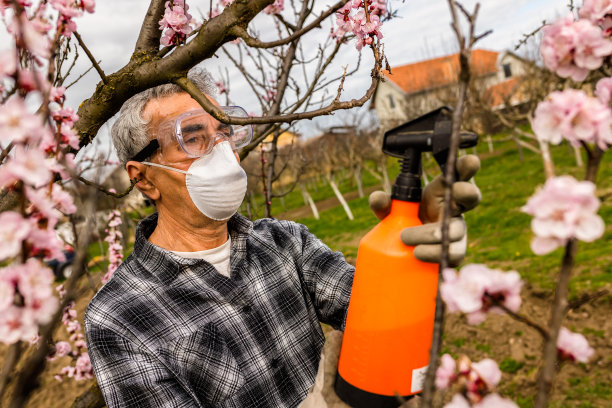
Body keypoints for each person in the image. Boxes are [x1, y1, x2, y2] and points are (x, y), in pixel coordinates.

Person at [84, 70, 480, 408]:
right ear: (143, 177)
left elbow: (373, 315)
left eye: (224, 133)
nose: (223, 154)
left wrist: (410, 254)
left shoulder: (286, 243)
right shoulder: (119, 319)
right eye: (193, 138)